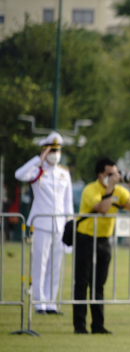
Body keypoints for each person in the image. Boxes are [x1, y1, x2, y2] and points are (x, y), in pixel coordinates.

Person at [73, 158, 130, 334]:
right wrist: (110, 187)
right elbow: (103, 208)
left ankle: (98, 325)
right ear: (100, 175)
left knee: (99, 284)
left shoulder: (120, 190)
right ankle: (79, 325)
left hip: (104, 240)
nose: (114, 177)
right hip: (85, 238)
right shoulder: (90, 190)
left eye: (116, 174)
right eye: (110, 174)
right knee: (82, 282)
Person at [14, 132, 73, 315]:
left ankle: (51, 302)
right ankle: (39, 302)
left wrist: (70, 228)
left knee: (56, 266)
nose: (56, 153)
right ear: (45, 151)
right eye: (52, 150)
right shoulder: (36, 170)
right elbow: (19, 174)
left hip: (59, 226)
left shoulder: (64, 173)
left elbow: (67, 203)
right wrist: (38, 160)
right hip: (41, 225)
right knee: (40, 264)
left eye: (58, 150)